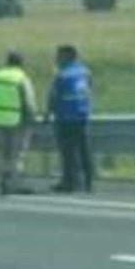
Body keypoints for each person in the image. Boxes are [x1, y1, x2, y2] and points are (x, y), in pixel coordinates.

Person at [0, 50, 39, 195]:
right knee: (17, 153)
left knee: (3, 152)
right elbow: (28, 101)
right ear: (21, 63)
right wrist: (32, 116)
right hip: (18, 120)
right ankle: (14, 183)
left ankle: (4, 180)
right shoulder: (21, 78)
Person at [47, 44, 94, 193]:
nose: (56, 59)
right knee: (84, 149)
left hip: (65, 117)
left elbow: (54, 96)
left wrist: (49, 112)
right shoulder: (85, 72)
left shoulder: (62, 75)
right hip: (82, 114)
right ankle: (88, 181)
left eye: (59, 56)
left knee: (68, 152)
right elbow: (89, 90)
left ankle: (69, 182)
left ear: (67, 57)